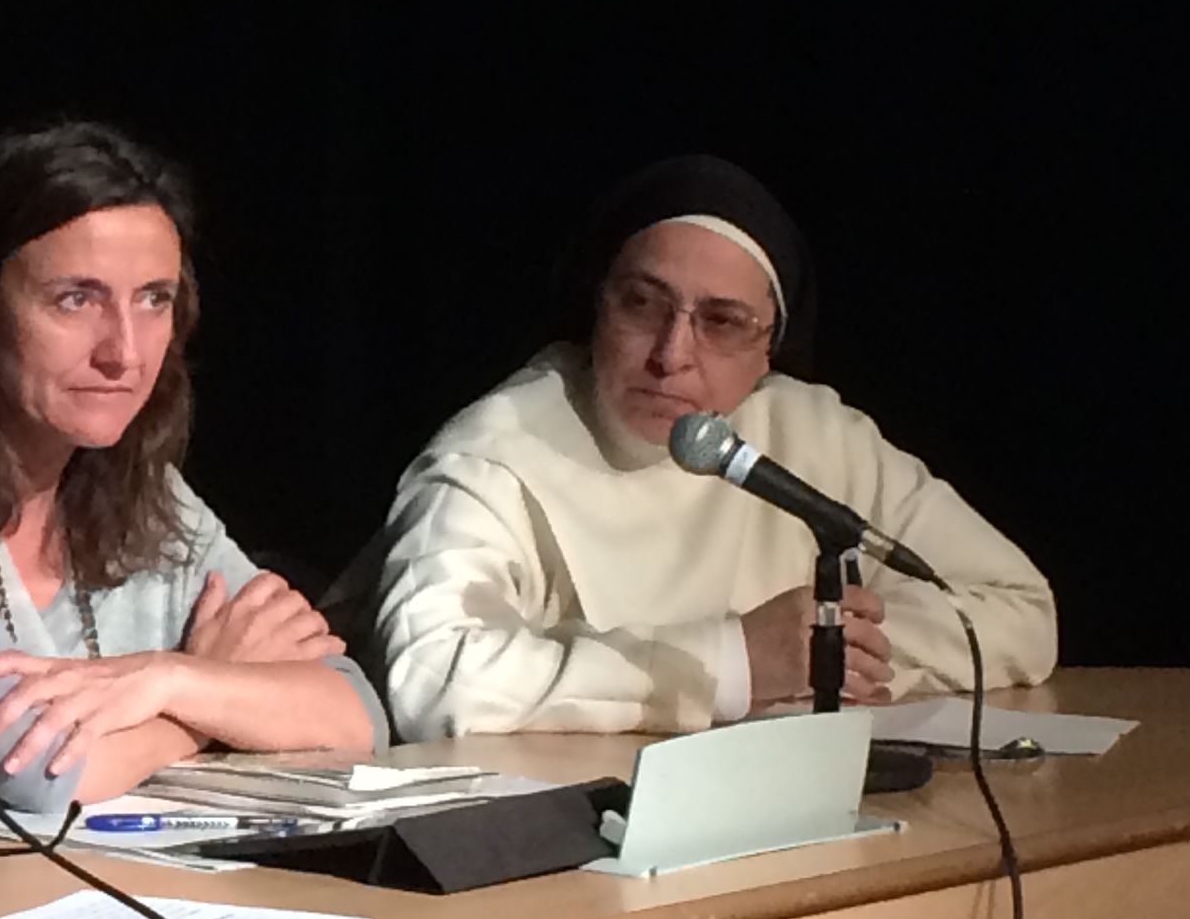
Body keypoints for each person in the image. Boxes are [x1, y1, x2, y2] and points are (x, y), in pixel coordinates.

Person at [359, 154, 1057, 740]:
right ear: (595, 307)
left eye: (721, 322)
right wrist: (730, 663)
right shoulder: (496, 452)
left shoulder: (816, 438)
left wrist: (835, 659)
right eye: (642, 305)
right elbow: (435, 680)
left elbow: (1017, 606)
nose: (672, 355)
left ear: (769, 351)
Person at [0, 120, 383, 815]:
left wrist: (169, 679)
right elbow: (35, 774)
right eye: (76, 299)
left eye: (153, 300)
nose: (125, 353)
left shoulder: (143, 488)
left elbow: (354, 712)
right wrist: (212, 694)